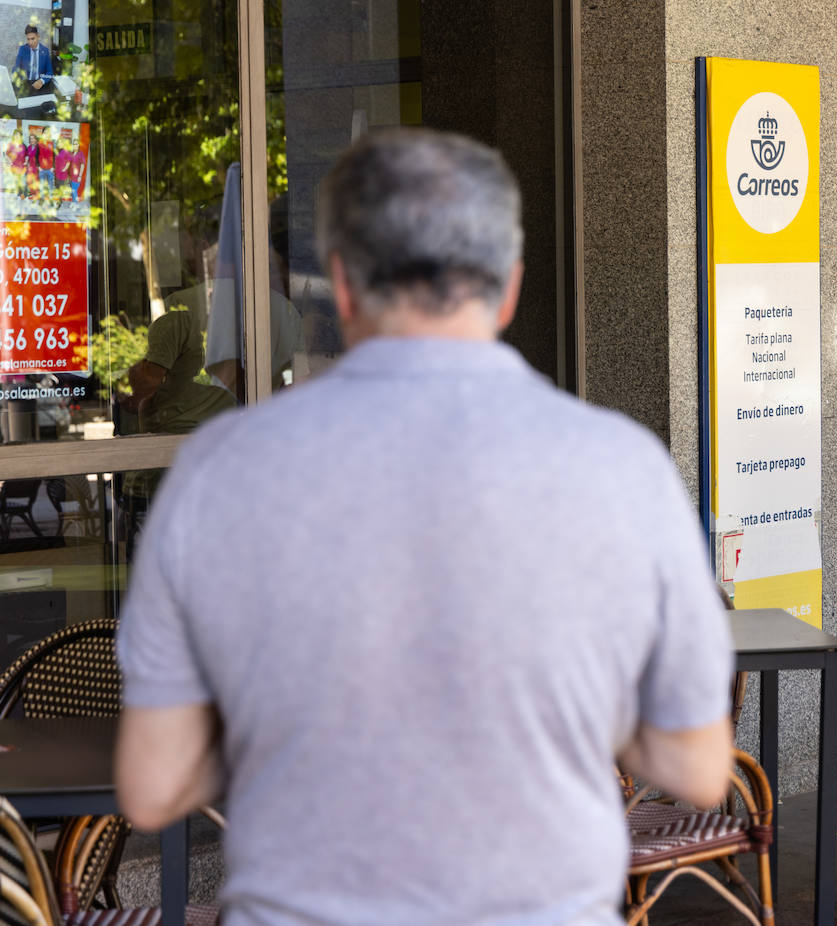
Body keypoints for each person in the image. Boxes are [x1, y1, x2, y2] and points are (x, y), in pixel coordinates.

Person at [114, 128, 735, 924]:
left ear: (339, 286)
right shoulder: (624, 467)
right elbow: (696, 764)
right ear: (508, 288)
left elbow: (154, 785)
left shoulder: (218, 471)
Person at [12, 25, 52, 97]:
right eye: (28, 39)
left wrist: (42, 81)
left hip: (39, 83)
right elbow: (16, 67)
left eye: (33, 39)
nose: (30, 42)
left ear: (38, 37)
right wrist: (16, 77)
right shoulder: (22, 49)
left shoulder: (45, 51)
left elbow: (50, 72)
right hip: (25, 84)